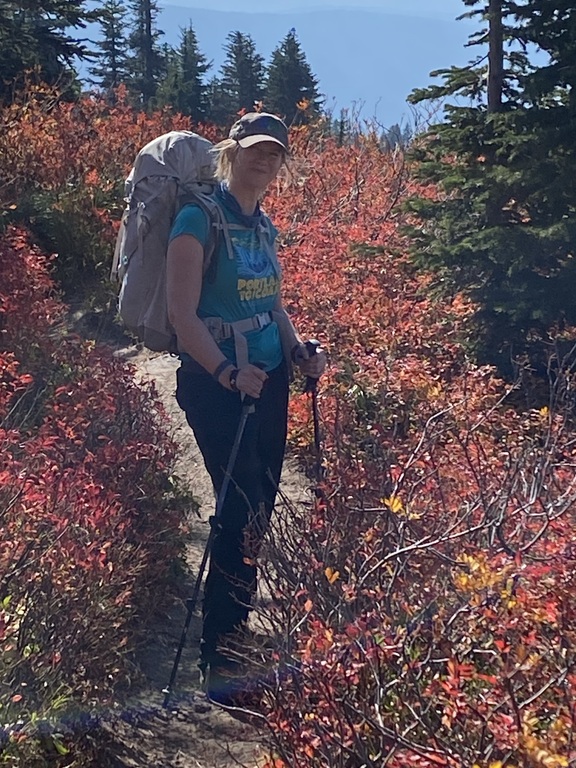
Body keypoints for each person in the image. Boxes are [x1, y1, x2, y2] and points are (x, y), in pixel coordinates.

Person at [166, 112, 326, 706]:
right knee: (239, 507)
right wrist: (228, 371)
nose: (265, 160)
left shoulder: (263, 226)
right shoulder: (196, 219)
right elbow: (184, 318)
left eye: (275, 152)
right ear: (231, 154)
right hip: (219, 384)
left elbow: (274, 306)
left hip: (270, 379)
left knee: (258, 504)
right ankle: (219, 654)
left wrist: (299, 351)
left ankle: (236, 631)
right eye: (256, 150)